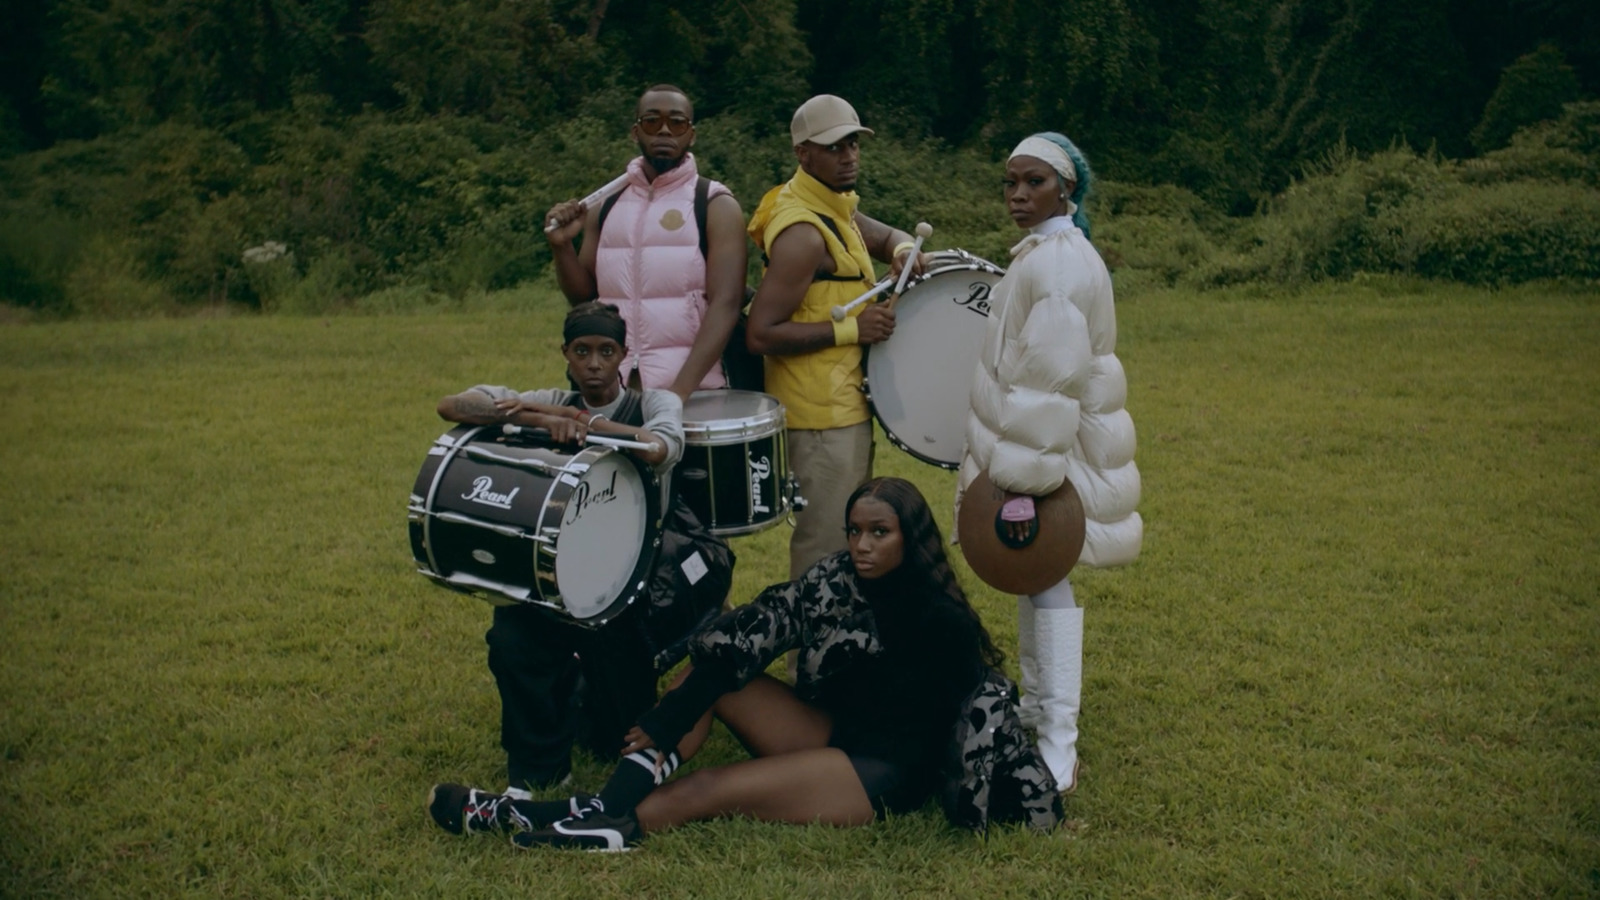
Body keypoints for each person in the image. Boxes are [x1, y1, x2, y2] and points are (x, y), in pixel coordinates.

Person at [427, 477, 1061, 850]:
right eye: (854, 531)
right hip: (831, 730)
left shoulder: (939, 621)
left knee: (705, 792)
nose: (861, 546)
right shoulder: (837, 580)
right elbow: (756, 629)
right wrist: (676, 709)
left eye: (879, 533)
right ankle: (608, 804)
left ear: (910, 538)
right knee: (711, 676)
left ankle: (564, 824)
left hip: (881, 772)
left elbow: (969, 721)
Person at [435, 302, 733, 797]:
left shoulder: (654, 402)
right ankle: (539, 763)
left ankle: (579, 692)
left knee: (609, 734)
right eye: (582, 351)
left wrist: (584, 424)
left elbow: (660, 447)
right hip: (553, 565)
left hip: (628, 581)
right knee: (512, 640)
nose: (594, 363)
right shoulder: (549, 397)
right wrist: (544, 414)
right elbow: (452, 406)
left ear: (623, 355)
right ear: (567, 355)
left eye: (605, 351)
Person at [959, 132, 1143, 795]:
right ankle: (1038, 711)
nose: (1016, 194)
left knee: (1045, 578)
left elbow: (1050, 383)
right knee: (1037, 579)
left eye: (1032, 181)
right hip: (1042, 452)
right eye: (1009, 182)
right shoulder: (1043, 255)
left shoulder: (1060, 265)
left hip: (1048, 456)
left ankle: (1058, 740)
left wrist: (1020, 486)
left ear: (1067, 187)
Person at [744, 94, 930, 583]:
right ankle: (808, 661)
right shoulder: (803, 234)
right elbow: (760, 332)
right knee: (824, 553)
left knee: (846, 549)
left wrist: (905, 247)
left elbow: (881, 234)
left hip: (840, 406)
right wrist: (851, 328)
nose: (848, 156)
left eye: (853, 143)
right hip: (820, 418)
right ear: (803, 153)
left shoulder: (831, 207)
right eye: (834, 147)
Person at [544, 84, 748, 402]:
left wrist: (677, 394)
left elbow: (727, 304)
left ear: (691, 134)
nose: (664, 130)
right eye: (652, 121)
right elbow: (585, 298)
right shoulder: (606, 203)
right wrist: (561, 247)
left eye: (677, 123)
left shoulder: (714, 204)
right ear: (636, 132)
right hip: (615, 388)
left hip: (696, 389)